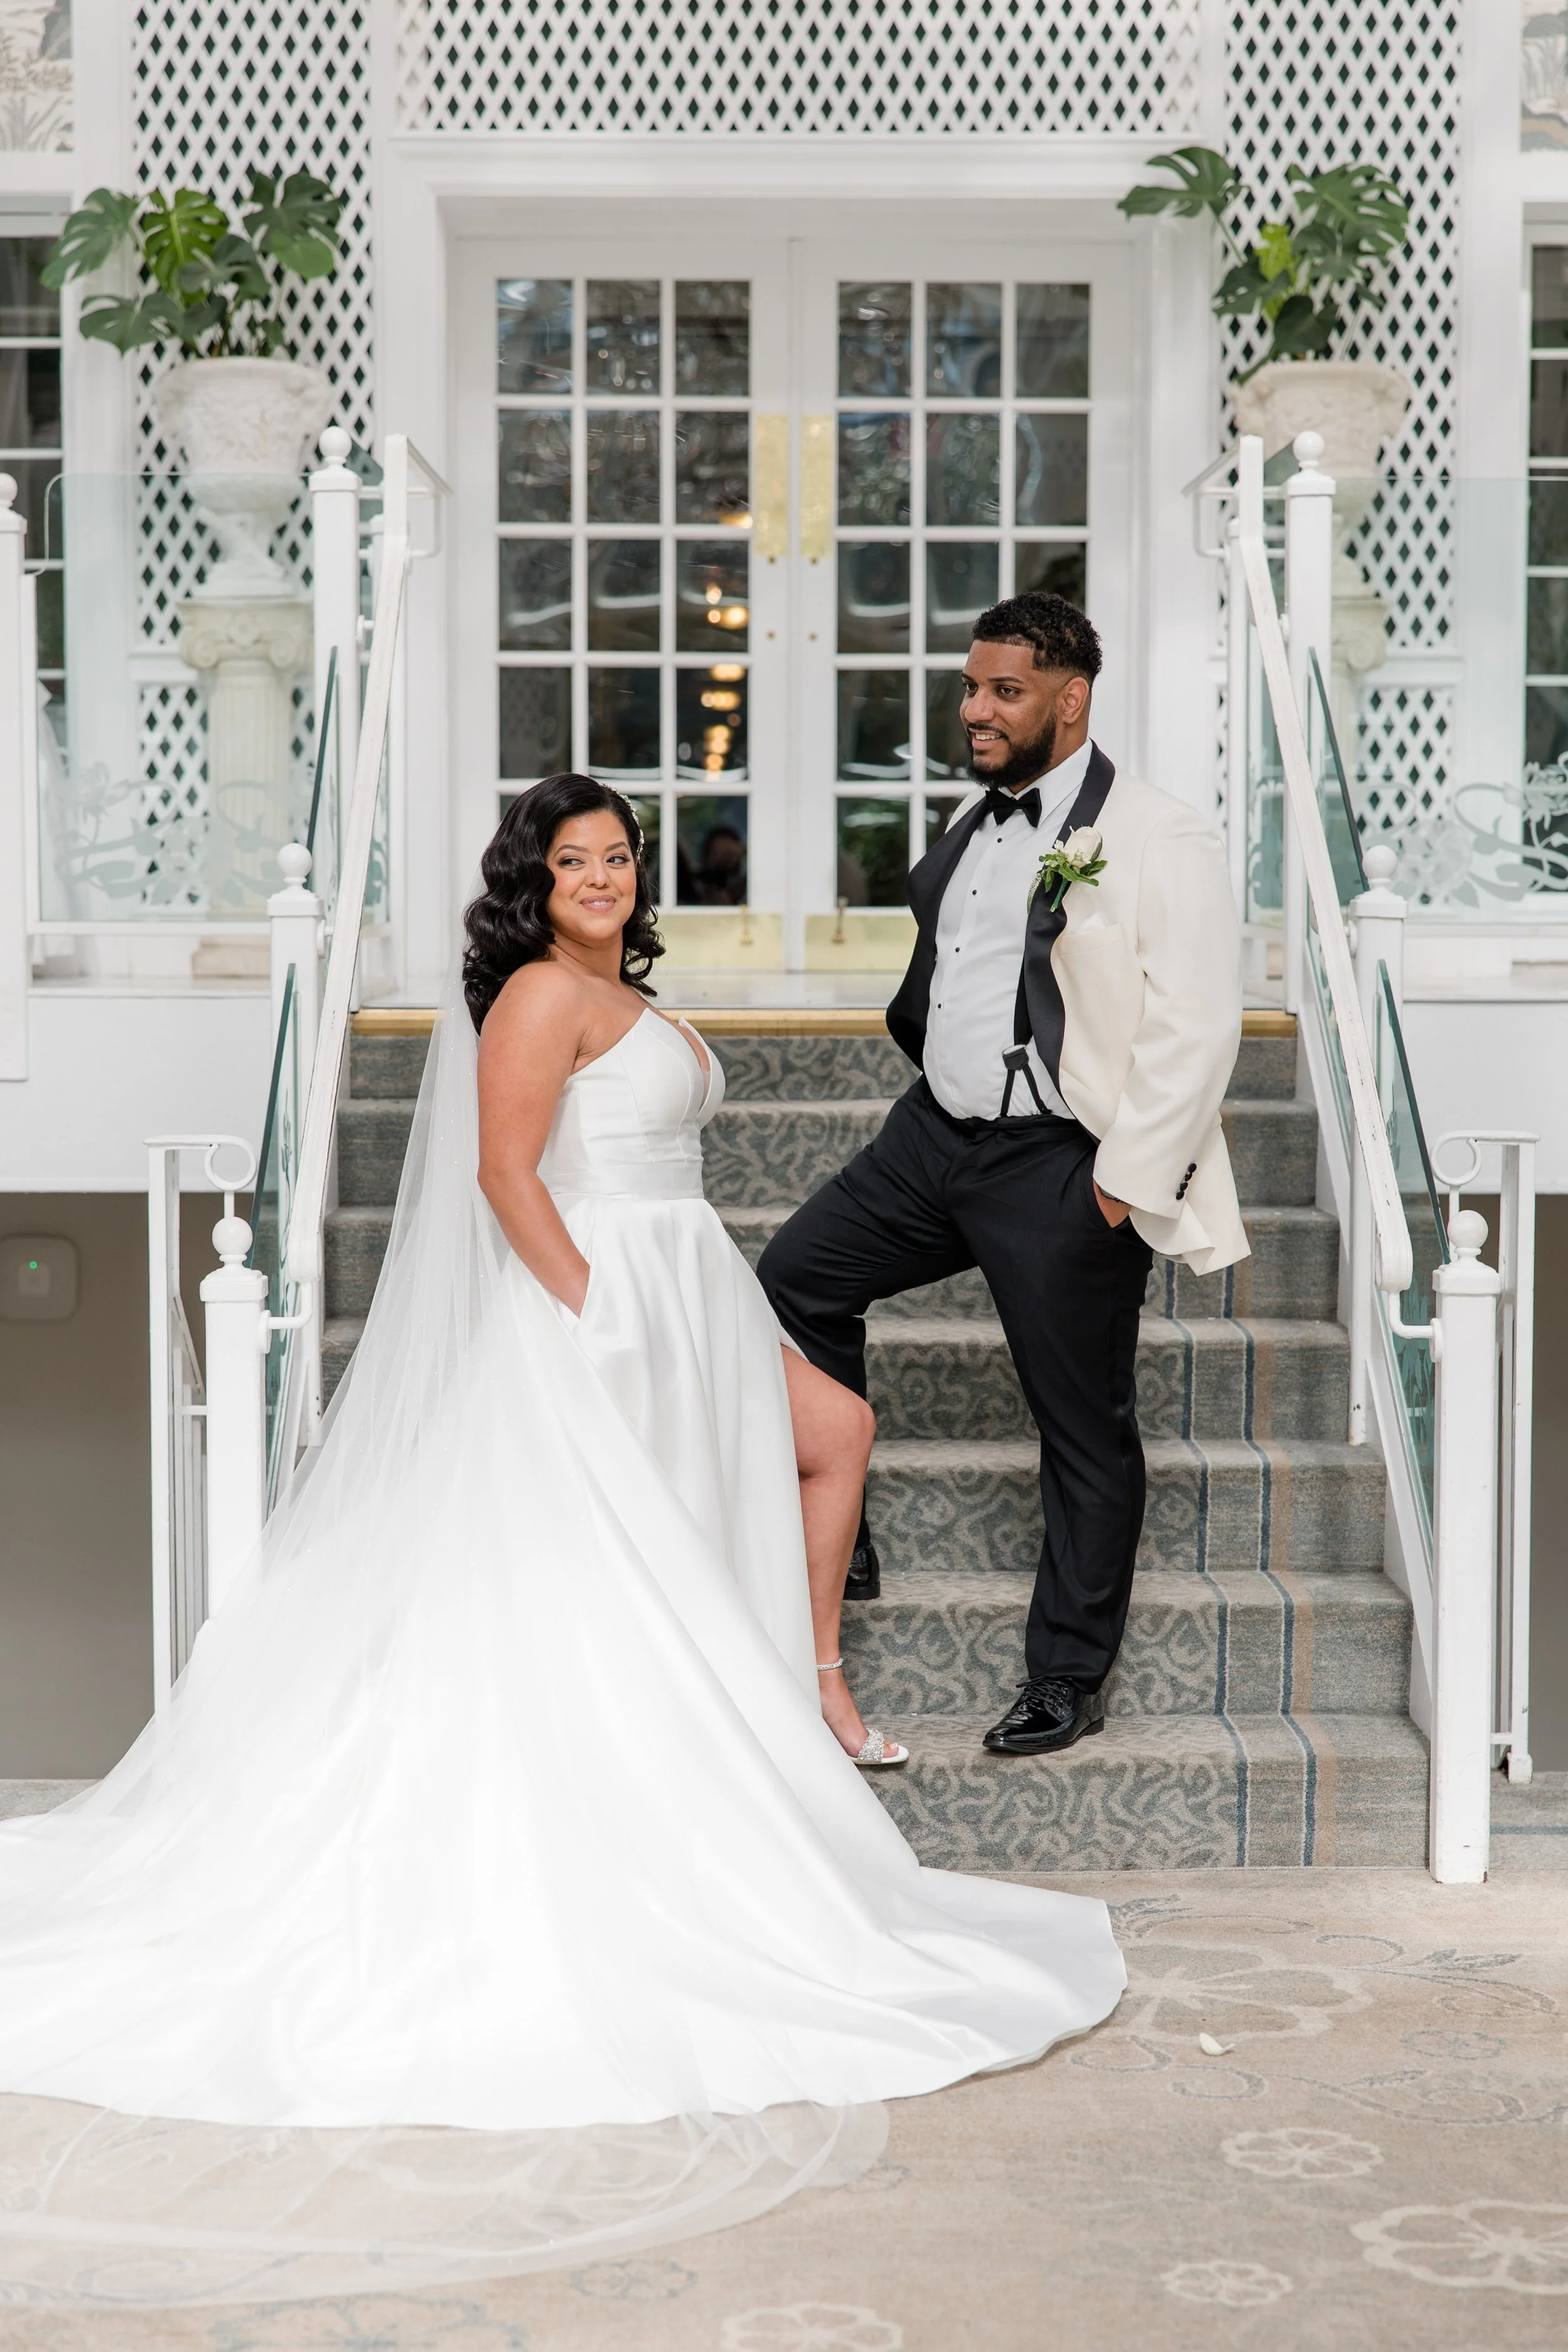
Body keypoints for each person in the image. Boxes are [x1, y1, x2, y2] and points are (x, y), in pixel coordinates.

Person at [0, 772, 1124, 2307]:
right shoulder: (537, 993)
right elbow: (504, 1174)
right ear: (531, 880)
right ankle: (733, 1725)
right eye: (573, 858)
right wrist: (594, 1319)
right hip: (605, 1304)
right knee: (606, 1576)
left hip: (687, 1286)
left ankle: (804, 1675)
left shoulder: (626, 990)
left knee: (834, 1435)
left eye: (617, 856)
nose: (600, 876)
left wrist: (669, 1307)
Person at [760, 595, 1246, 1759]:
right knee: (792, 1277)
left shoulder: (1157, 833)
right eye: (971, 687)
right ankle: (845, 1519)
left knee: (1082, 1423)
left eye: (1004, 692)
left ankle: (1066, 1673)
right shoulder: (978, 816)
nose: (975, 709)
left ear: (1070, 699)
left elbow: (1198, 1023)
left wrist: (1121, 1182)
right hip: (934, 1139)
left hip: (1061, 1159)